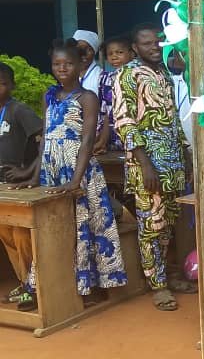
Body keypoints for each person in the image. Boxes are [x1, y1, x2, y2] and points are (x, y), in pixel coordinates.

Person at [12, 38, 127, 311]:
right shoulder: (49, 96)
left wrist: (76, 181)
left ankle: (91, 286)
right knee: (53, 228)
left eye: (68, 64)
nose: (62, 69)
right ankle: (45, 285)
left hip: (79, 171)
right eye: (56, 64)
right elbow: (46, 138)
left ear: (80, 64)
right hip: (52, 169)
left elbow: (87, 141)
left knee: (85, 227)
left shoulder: (87, 98)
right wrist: (34, 176)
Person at [114, 23, 192, 311]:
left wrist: (185, 152)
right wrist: (145, 165)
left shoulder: (164, 74)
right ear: (135, 48)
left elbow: (172, 118)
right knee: (151, 225)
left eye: (158, 41)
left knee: (168, 223)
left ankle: (167, 275)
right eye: (147, 43)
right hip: (146, 166)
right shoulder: (127, 74)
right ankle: (157, 286)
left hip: (172, 163)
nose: (155, 47)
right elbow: (124, 122)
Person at [0, 61, 44, 309]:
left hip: (19, 185)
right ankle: (23, 281)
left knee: (21, 235)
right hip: (1, 186)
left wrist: (28, 171)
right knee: (6, 233)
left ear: (12, 85)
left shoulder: (19, 110)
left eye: (2, 83)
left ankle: (34, 286)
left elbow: (45, 140)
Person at [73, 29, 103, 94]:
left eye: (89, 49)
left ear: (94, 52)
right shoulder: (67, 74)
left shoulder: (101, 77)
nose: (83, 53)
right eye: (79, 48)